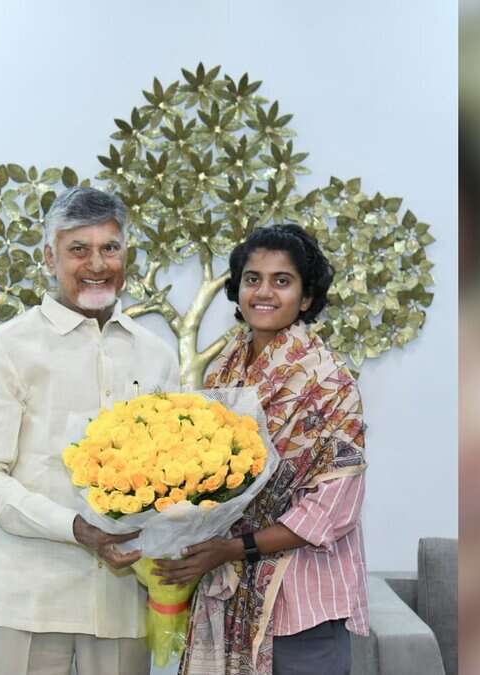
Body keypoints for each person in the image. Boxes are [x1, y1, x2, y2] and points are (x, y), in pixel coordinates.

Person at [0, 187, 179, 675]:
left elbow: (173, 477)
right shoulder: (6, 348)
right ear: (48, 256)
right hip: (28, 600)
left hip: (124, 601)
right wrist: (76, 528)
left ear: (127, 255)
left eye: (110, 248)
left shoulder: (156, 354)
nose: (96, 263)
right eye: (79, 249)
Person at [156, 224, 368, 675]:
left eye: (282, 280)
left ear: (306, 297)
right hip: (226, 587)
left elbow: (334, 508)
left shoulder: (330, 383)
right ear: (237, 291)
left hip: (301, 601)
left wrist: (235, 547)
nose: (264, 292)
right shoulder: (222, 374)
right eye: (252, 279)